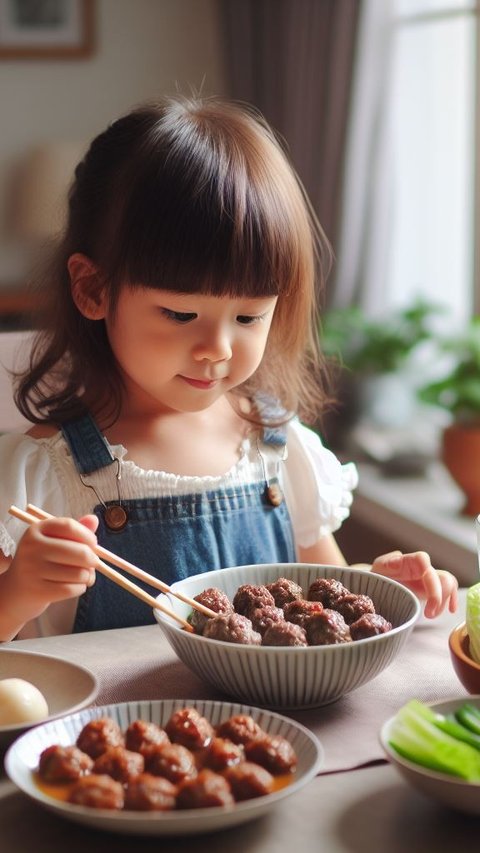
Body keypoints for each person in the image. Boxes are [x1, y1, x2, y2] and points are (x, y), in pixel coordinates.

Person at [0, 95, 457, 641]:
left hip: (277, 726)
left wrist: (378, 588)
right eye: (180, 313)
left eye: (247, 316)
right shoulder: (43, 476)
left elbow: (323, 593)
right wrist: (18, 593)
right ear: (94, 289)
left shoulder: (279, 449)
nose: (216, 347)